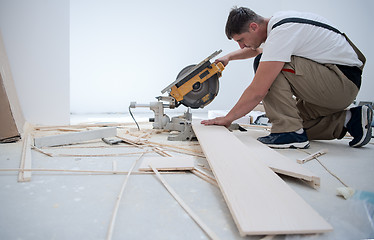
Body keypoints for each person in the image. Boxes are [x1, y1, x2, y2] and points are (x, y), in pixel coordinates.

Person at [201, 6, 372, 148]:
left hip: (340, 84)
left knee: (266, 66)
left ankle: (289, 133)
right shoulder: (280, 25)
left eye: (241, 39)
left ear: (253, 27)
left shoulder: (283, 30)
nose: (242, 45)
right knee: (295, 121)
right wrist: (228, 57)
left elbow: (258, 90)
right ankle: (350, 120)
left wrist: (228, 118)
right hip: (337, 84)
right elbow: (257, 50)